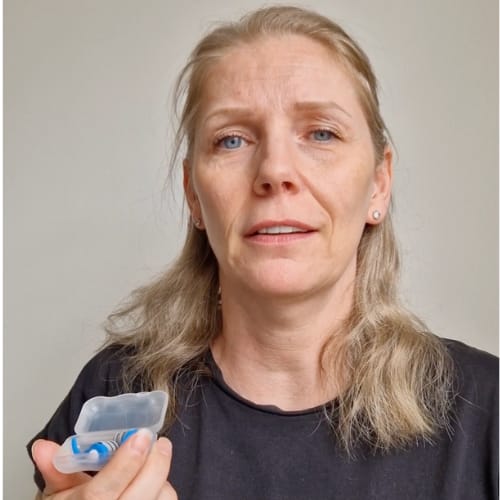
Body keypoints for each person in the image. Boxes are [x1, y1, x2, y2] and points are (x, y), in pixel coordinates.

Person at [27, 6, 498, 499]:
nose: (275, 170)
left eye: (321, 133)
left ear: (379, 184)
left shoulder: (487, 410)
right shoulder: (116, 390)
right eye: (231, 139)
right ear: (194, 195)